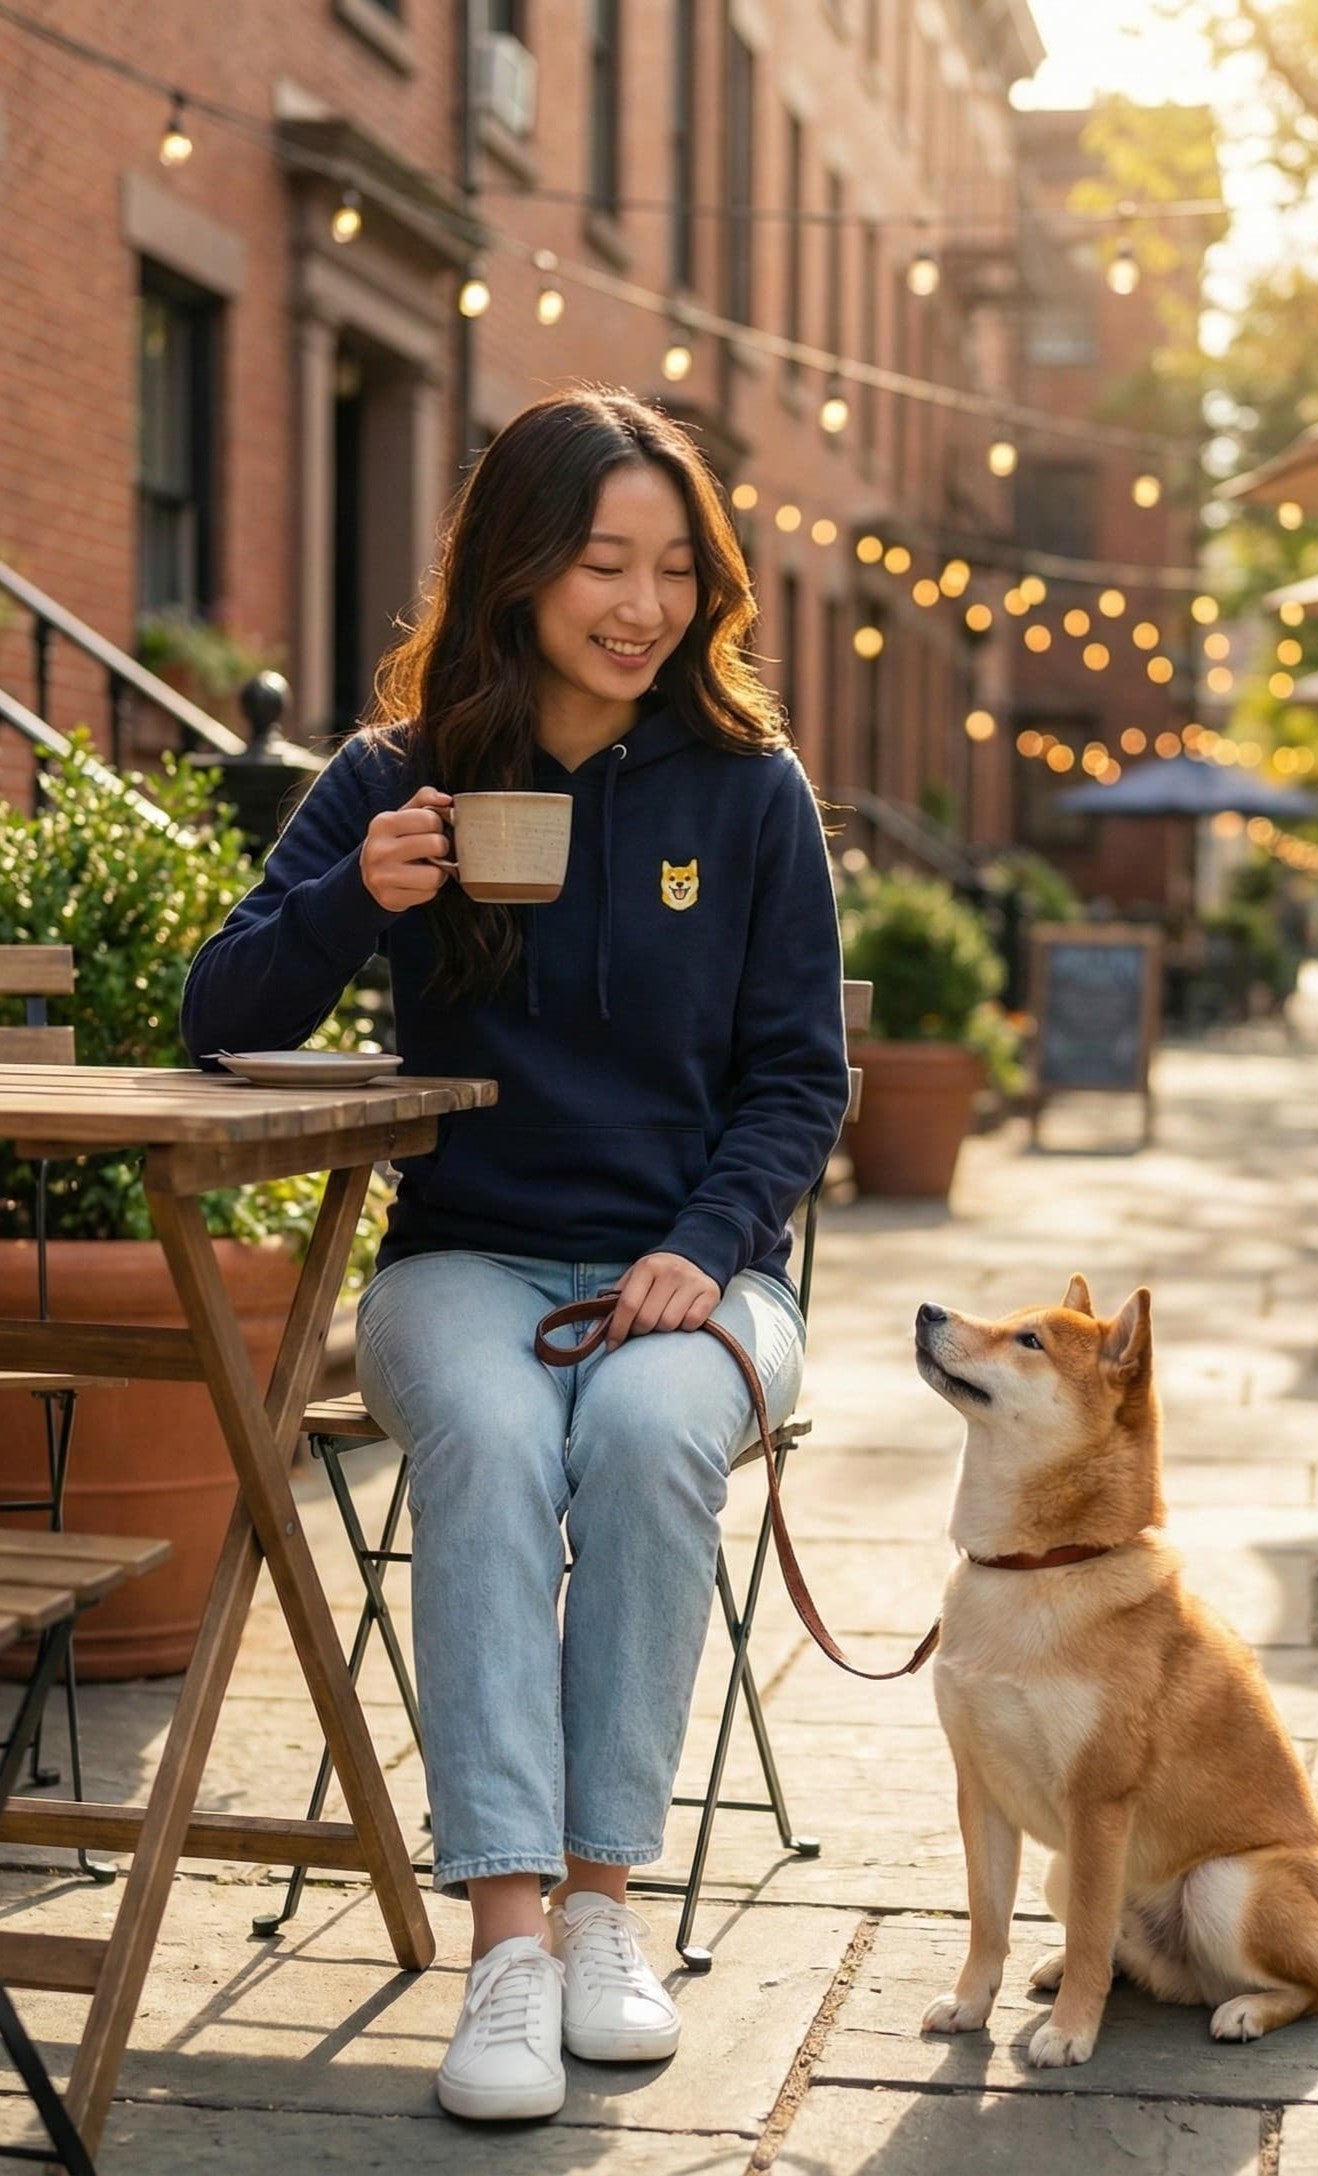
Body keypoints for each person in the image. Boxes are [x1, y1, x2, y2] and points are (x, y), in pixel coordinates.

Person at [181, 387, 850, 2124]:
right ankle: (503, 1943)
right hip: (464, 1263)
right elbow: (217, 1016)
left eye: (674, 570)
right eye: (599, 563)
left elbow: (798, 1079)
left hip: (702, 1278)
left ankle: (603, 1904)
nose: (641, 607)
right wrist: (355, 902)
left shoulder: (750, 790)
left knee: (637, 1436)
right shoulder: (397, 777)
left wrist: (706, 1249)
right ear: (519, 569)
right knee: (486, 1436)